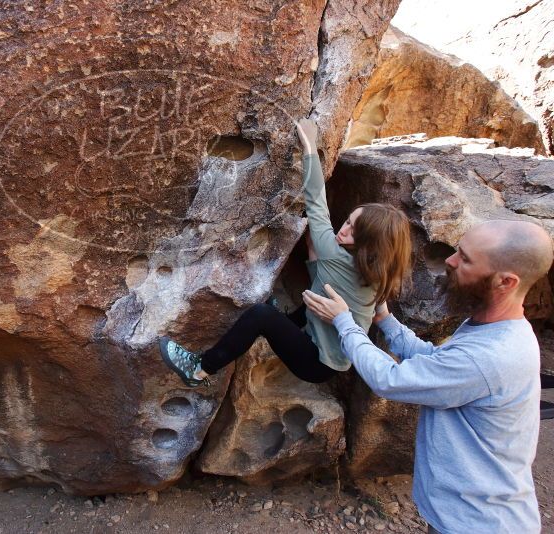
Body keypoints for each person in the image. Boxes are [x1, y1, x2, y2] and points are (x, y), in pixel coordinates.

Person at [303, 219, 554, 534]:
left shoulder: (488, 357)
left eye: (465, 259)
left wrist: (343, 321)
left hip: (476, 523)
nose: (449, 261)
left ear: (505, 282)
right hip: (472, 514)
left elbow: (390, 379)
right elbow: (437, 361)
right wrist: (384, 318)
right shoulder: (498, 329)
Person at [158, 118, 412, 386]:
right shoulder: (378, 274)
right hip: (334, 359)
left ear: (369, 246)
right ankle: (285, 321)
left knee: (261, 315)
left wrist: (310, 147)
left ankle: (199, 370)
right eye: (347, 221)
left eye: (352, 231)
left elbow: (317, 202)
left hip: (316, 361)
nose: (343, 230)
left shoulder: (334, 255)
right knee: (317, 293)